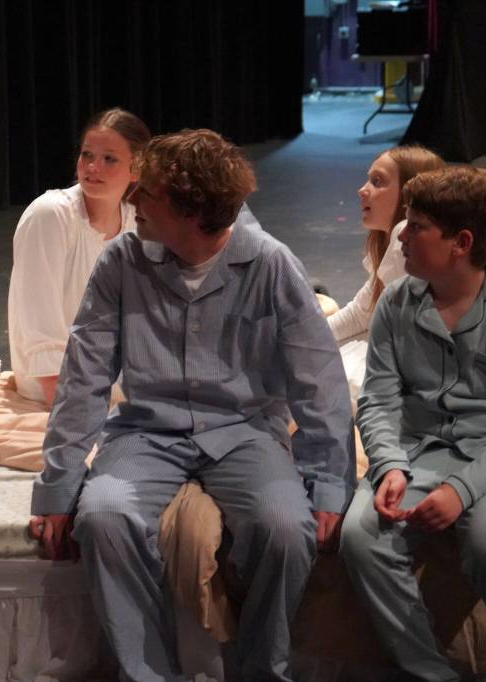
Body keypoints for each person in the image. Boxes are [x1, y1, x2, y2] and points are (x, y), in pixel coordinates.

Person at [29, 129, 354, 681]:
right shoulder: (122, 261)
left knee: (284, 528)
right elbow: (84, 378)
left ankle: (260, 671)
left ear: (193, 211)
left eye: (147, 192)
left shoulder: (270, 265)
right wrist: (58, 485)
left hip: (245, 430)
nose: (132, 198)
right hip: (146, 433)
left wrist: (328, 480)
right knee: (104, 515)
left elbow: (318, 380)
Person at [339, 167, 486, 681]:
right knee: (361, 536)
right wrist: (390, 465)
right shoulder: (397, 301)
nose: (402, 234)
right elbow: (376, 400)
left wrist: (462, 491)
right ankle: (429, 673)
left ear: (461, 243)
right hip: (417, 450)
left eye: (417, 226)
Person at [7, 108, 150, 405]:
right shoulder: (50, 215)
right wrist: (65, 405)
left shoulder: (136, 221)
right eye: (87, 155)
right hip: (59, 377)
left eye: (109, 159)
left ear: (135, 169)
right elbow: (38, 317)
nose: (92, 167)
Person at [328, 146, 445, 400]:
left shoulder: (407, 238)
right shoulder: (389, 240)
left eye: (377, 181)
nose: (362, 190)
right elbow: (361, 314)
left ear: (409, 194)